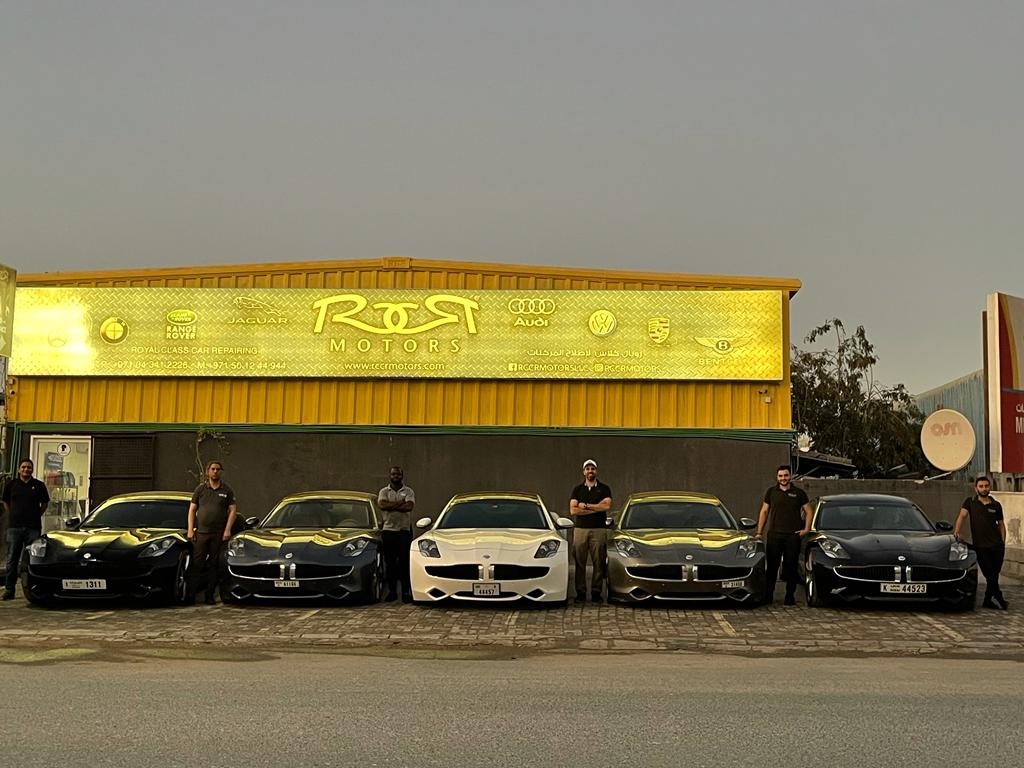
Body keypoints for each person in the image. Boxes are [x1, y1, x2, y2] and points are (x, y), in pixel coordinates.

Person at [756, 464, 811, 606]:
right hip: (774, 535)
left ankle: (789, 596)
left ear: (790, 476)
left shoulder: (799, 493)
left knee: (791, 567)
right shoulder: (771, 492)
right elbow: (764, 512)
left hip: (793, 536)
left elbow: (808, 511)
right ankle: (768, 595)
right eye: (780, 476)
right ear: (777, 477)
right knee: (772, 567)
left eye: (786, 475)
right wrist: (759, 532)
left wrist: (806, 529)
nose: (783, 478)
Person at [185, 460, 237, 605]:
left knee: (214, 565)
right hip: (201, 533)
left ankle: (209, 596)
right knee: (197, 564)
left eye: (218, 469)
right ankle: (191, 596)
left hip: (218, 534)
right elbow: (192, 510)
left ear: (221, 472)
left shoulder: (226, 490)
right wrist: (190, 529)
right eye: (212, 469)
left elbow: (233, 510)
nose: (215, 471)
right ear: (208, 471)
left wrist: (227, 529)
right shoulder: (200, 489)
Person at [955, 475, 1008, 610]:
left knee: (994, 575)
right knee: (990, 574)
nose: (984, 489)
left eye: (986, 486)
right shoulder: (970, 502)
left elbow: (1001, 524)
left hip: (997, 546)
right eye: (981, 486)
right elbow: (962, 516)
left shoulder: (996, 505)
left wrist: (1003, 542)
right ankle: (999, 597)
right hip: (981, 546)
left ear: (990, 487)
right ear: (976, 488)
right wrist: (957, 532)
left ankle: (987, 600)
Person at [1, 459, 50, 600]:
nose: (26, 469)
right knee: (12, 559)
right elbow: (5, 502)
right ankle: (9, 590)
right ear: (19, 470)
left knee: (32, 559)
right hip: (14, 528)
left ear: (32, 470)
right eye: (23, 467)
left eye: (29, 467)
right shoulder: (11, 485)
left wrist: (36, 515)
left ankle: (33, 590)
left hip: (33, 528)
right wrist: (12, 515)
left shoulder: (39, 485)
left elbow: (45, 503)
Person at [569, 459, 612, 603]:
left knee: (599, 562)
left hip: (598, 530)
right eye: (587, 468)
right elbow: (573, 510)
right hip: (580, 530)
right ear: (584, 472)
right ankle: (581, 593)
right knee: (579, 562)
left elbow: (606, 506)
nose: (590, 471)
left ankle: (596, 592)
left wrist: (586, 506)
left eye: (592, 468)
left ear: (596, 471)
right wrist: (596, 508)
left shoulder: (604, 489)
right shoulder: (577, 490)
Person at [378, 465, 415, 603]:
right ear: (390, 475)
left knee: (404, 563)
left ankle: (405, 592)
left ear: (402, 476)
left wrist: (391, 505)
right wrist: (400, 503)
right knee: (390, 563)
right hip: (388, 531)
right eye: (393, 474)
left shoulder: (409, 491)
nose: (396, 476)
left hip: (404, 532)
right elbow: (382, 505)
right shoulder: (384, 491)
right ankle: (392, 591)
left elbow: (409, 507)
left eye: (398, 474)